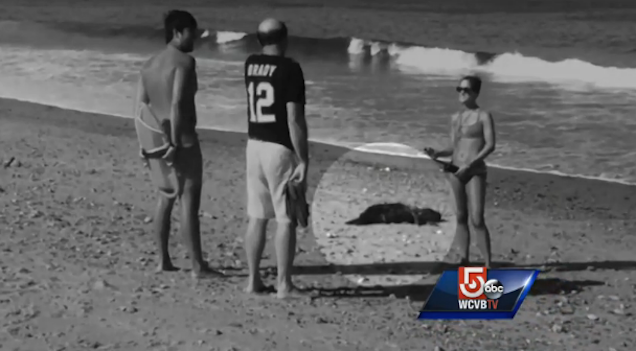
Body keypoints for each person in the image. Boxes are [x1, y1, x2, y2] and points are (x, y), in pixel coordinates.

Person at [134, 10, 220, 279]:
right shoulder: (184, 62)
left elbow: (140, 106)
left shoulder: (148, 65)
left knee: (165, 197)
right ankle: (197, 266)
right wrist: (175, 142)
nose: (195, 37)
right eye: (191, 33)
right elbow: (177, 102)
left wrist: (144, 144)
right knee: (188, 202)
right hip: (180, 140)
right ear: (177, 33)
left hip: (155, 141)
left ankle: (163, 261)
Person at [243, 18, 308, 298]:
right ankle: (284, 284)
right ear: (285, 38)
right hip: (279, 148)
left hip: (253, 145)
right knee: (285, 218)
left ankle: (252, 280)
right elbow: (294, 119)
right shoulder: (291, 69)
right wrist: (303, 158)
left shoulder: (250, 64)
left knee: (257, 216)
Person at [424, 76, 496, 268]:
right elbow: (453, 147)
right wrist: (437, 153)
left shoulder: (484, 116)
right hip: (455, 169)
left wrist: (471, 164)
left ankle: (488, 263)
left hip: (474, 170)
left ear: (476, 93)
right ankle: (464, 259)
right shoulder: (455, 118)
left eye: (466, 89)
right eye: (459, 89)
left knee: (477, 218)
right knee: (461, 217)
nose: (462, 92)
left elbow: (490, 145)